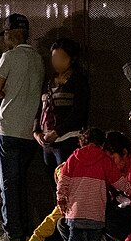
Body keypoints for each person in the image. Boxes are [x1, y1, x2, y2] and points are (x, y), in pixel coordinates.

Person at [0, 13, 45, 241]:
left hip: (9, 126)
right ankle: (22, 228)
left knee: (8, 183)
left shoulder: (9, 56)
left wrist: (6, 93)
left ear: (10, 35)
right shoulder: (39, 59)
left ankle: (12, 231)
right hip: (29, 130)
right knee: (20, 181)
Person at [55, 126, 131, 241]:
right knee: (94, 240)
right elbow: (118, 181)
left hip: (76, 208)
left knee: (73, 237)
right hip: (96, 208)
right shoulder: (105, 160)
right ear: (102, 143)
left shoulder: (73, 158)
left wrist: (61, 199)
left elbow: (62, 181)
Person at [35, 37, 90, 170]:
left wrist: (57, 132)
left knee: (67, 180)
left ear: (71, 59)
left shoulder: (78, 81)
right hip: (47, 142)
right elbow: (40, 109)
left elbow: (79, 111)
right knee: (54, 182)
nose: (56, 62)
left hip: (68, 140)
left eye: (61, 58)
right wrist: (36, 132)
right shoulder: (49, 81)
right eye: (54, 57)